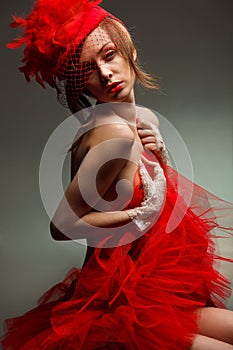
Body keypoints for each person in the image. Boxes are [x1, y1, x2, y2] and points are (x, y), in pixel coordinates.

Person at [2, 0, 233, 349]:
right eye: (87, 70)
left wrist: (161, 154)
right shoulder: (114, 137)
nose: (105, 73)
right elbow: (62, 226)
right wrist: (134, 217)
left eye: (109, 55)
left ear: (131, 51)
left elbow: (149, 194)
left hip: (148, 288)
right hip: (116, 299)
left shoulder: (144, 121)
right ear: (79, 84)